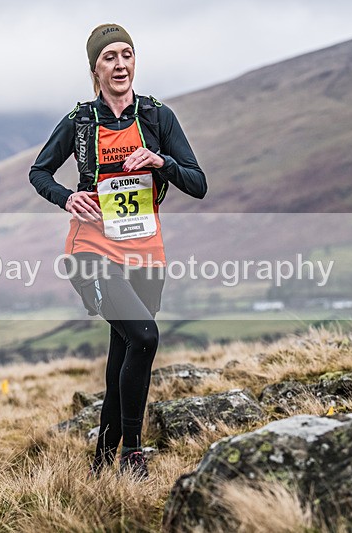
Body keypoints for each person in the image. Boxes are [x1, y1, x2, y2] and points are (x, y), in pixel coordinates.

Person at [29, 24, 207, 479]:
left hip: (145, 251)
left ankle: (101, 465)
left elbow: (198, 183)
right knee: (144, 337)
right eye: (109, 57)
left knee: (123, 356)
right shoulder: (80, 122)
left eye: (127, 54)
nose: (120, 64)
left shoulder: (157, 117)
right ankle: (133, 453)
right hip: (91, 250)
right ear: (96, 69)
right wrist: (67, 197)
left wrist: (161, 160)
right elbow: (40, 172)